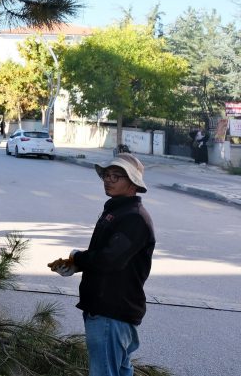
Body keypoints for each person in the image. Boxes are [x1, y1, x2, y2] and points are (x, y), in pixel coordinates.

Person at [49, 153, 155, 376]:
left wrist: (78, 258)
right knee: (120, 371)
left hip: (112, 312)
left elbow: (109, 260)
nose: (109, 180)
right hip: (106, 309)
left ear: (133, 183)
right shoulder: (116, 210)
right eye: (106, 175)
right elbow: (108, 255)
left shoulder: (134, 217)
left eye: (116, 176)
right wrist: (77, 264)